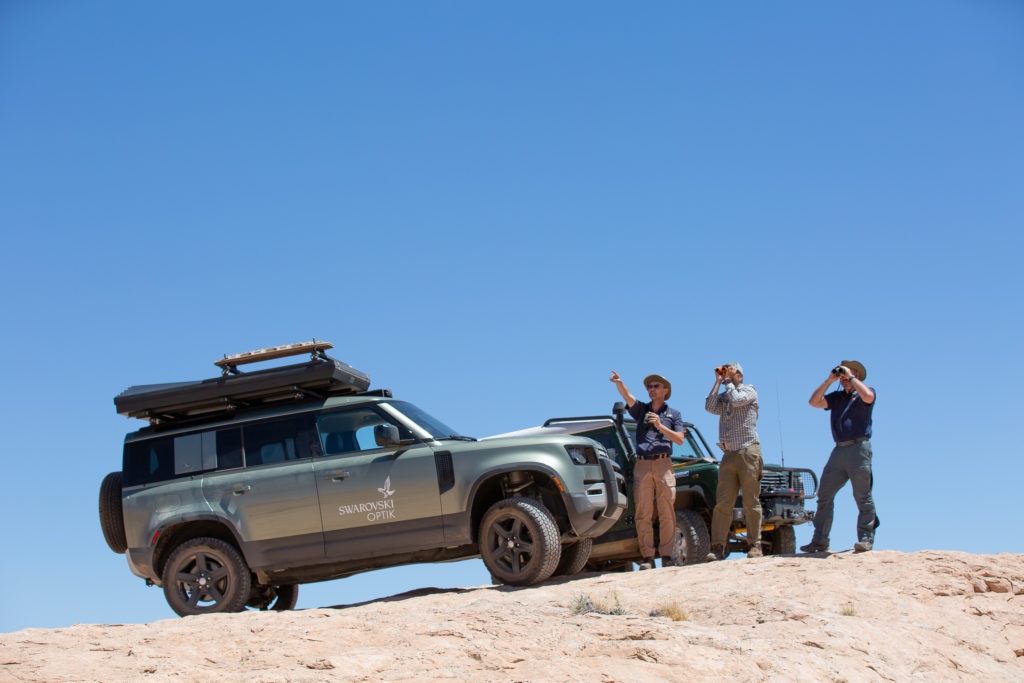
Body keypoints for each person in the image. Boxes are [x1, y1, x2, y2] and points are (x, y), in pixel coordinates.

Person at [610, 370, 686, 569]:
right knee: (643, 512)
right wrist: (620, 383)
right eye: (649, 386)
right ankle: (647, 558)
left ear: (665, 390)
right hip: (642, 464)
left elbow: (679, 439)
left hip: (664, 464)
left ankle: (667, 556)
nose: (652, 389)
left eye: (656, 386)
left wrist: (660, 426)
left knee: (666, 511)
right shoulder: (642, 410)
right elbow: (628, 397)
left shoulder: (674, 414)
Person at [801, 360, 878, 554]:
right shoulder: (837, 397)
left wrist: (851, 377)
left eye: (847, 374)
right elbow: (813, 402)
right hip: (839, 450)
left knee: (862, 495)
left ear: (856, 375)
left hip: (859, 448)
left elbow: (868, 396)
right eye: (842, 374)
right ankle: (819, 541)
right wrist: (829, 380)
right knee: (824, 494)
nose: (843, 377)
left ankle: (866, 539)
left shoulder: (864, 393)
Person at [703, 362, 763, 561]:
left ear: (741, 375)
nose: (728, 374)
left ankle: (755, 544)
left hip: (747, 451)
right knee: (723, 503)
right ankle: (718, 546)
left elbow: (737, 400)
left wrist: (728, 382)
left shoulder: (749, 390)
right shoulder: (725, 393)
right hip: (729, 455)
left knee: (750, 500)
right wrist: (718, 380)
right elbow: (710, 407)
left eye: (732, 371)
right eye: (726, 370)